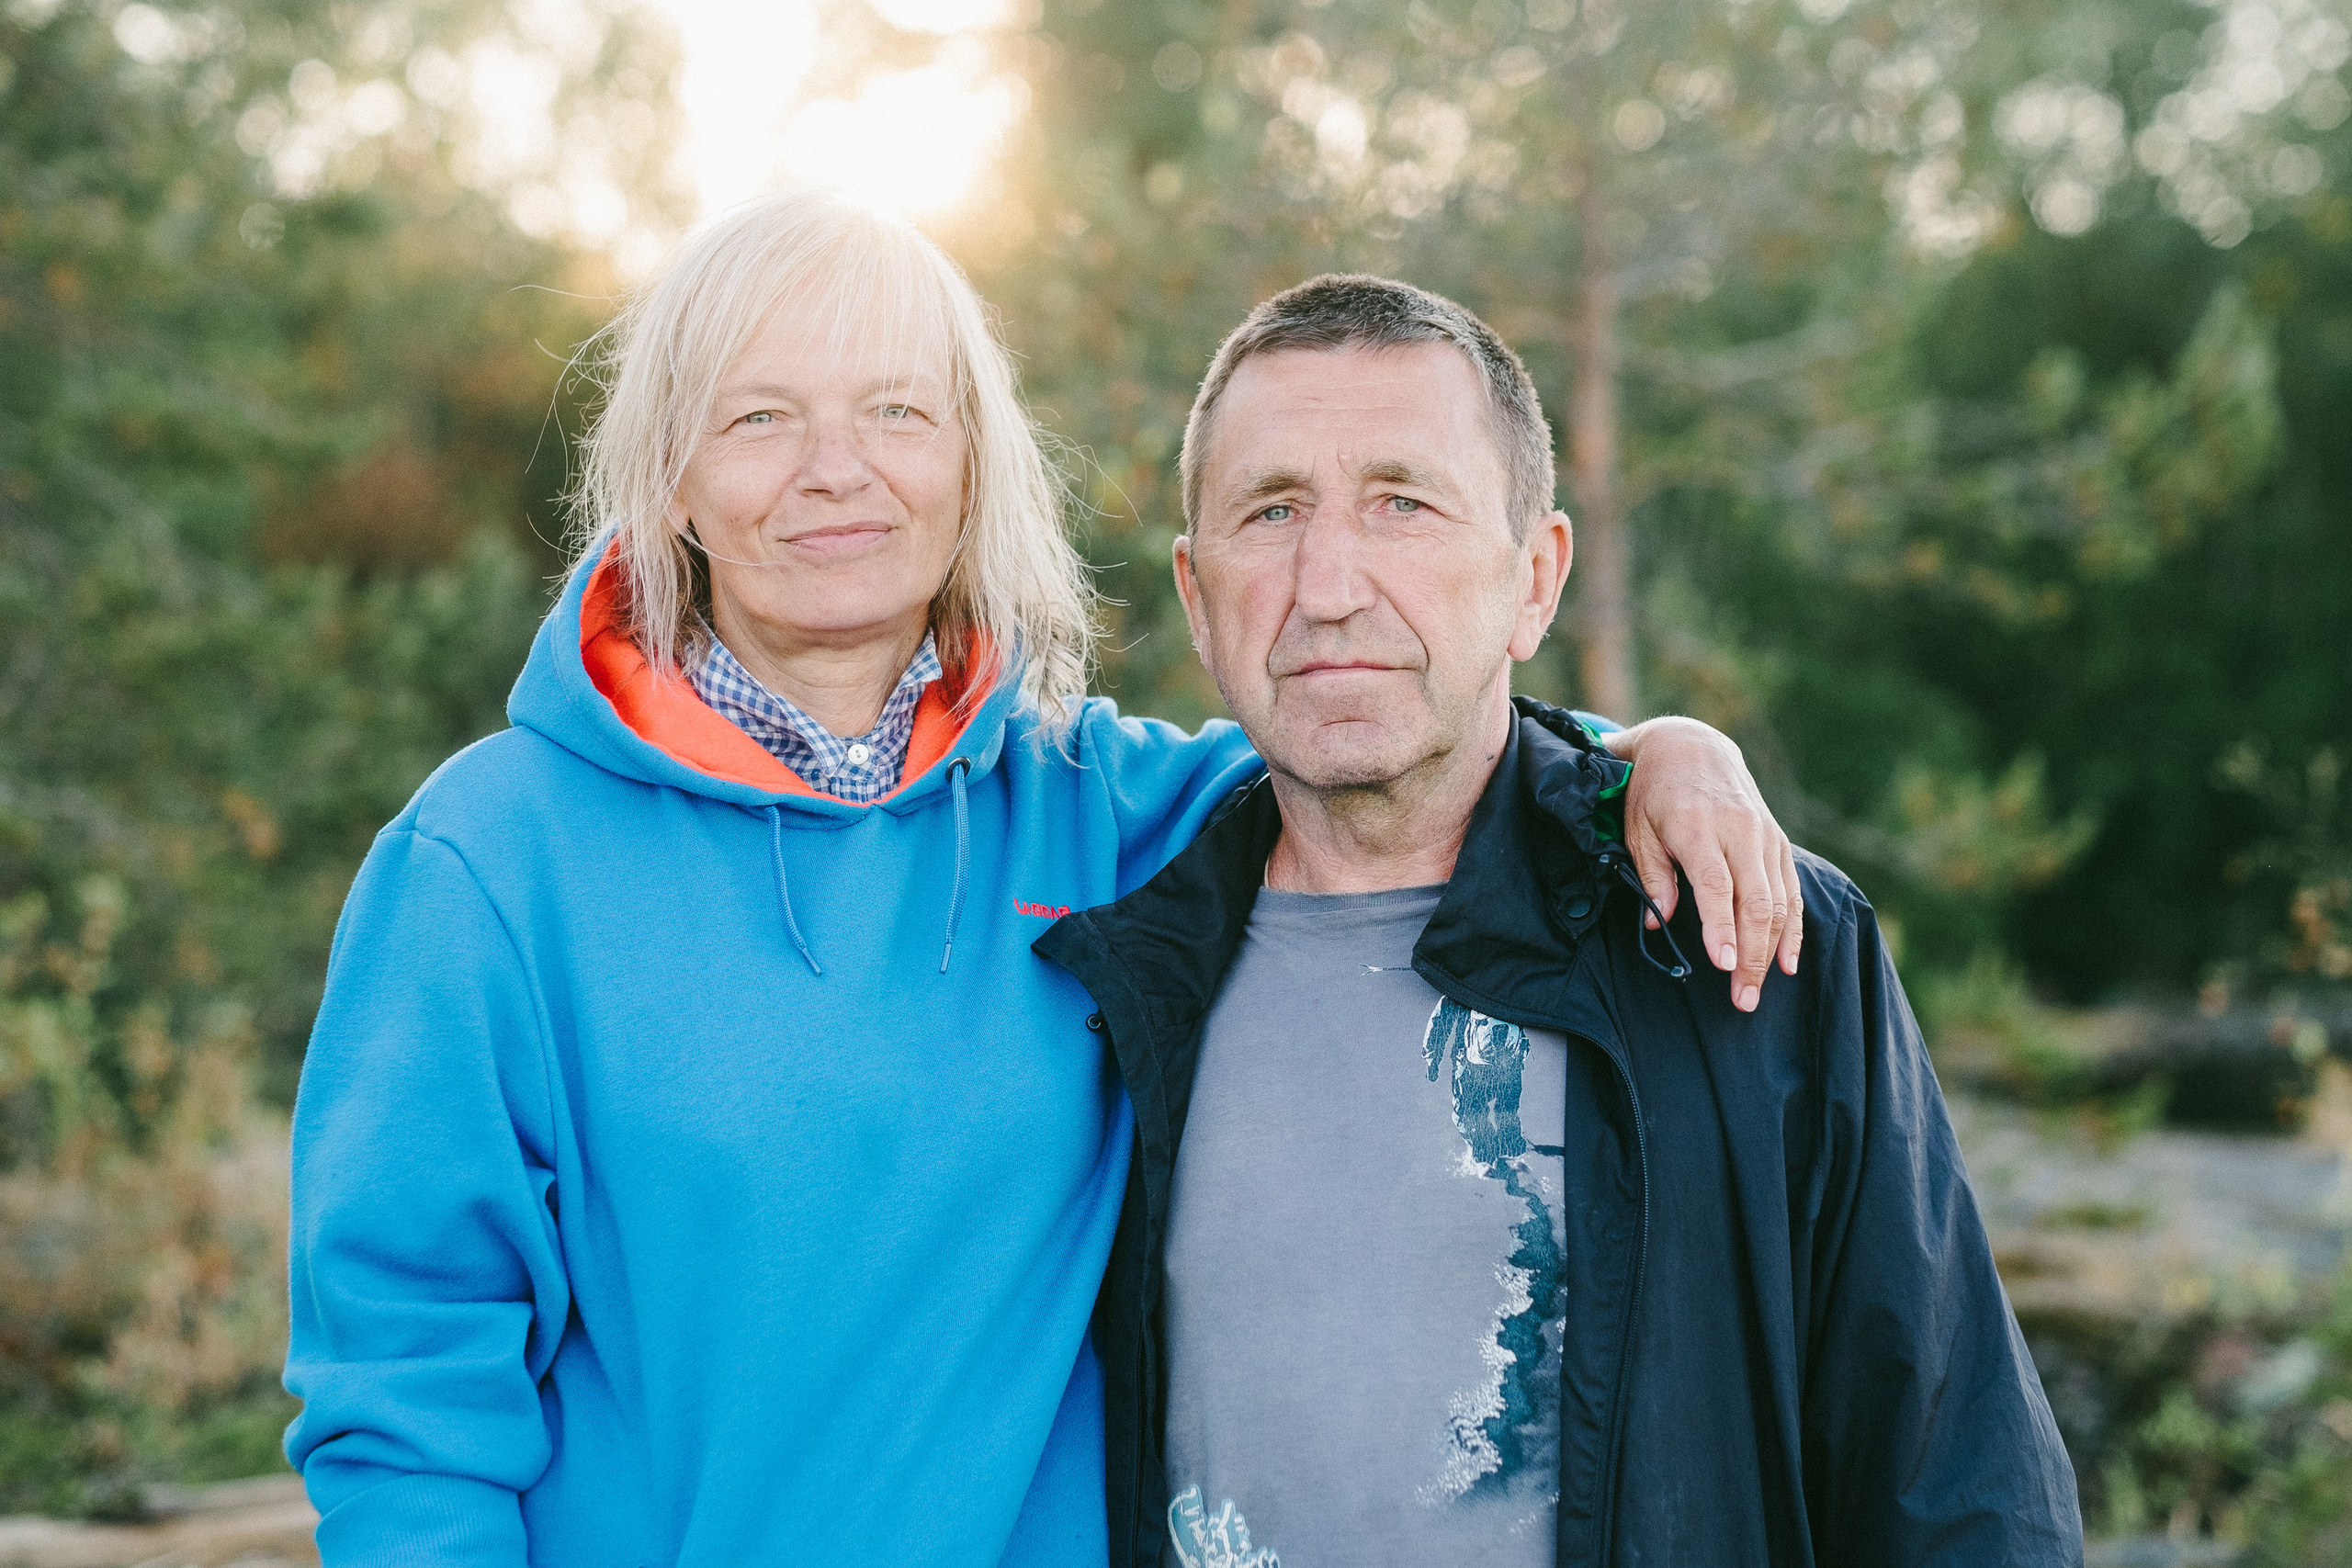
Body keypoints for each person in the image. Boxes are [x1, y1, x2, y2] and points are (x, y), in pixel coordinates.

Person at [280, 192, 1798, 1566]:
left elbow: (1393, 740)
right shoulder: (486, 863)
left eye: (895, 411)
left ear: (969, 468)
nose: (836, 473)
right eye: (758, 420)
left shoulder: (1094, 809)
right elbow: (407, 1399)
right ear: (668, 480)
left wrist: (1650, 753)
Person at [1036, 274, 2084, 1568]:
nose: (1328, 583)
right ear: (1197, 598)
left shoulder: (1738, 935)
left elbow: (1956, 1485)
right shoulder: (1112, 976)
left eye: (1403, 504)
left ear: (1535, 578)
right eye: (1273, 511)